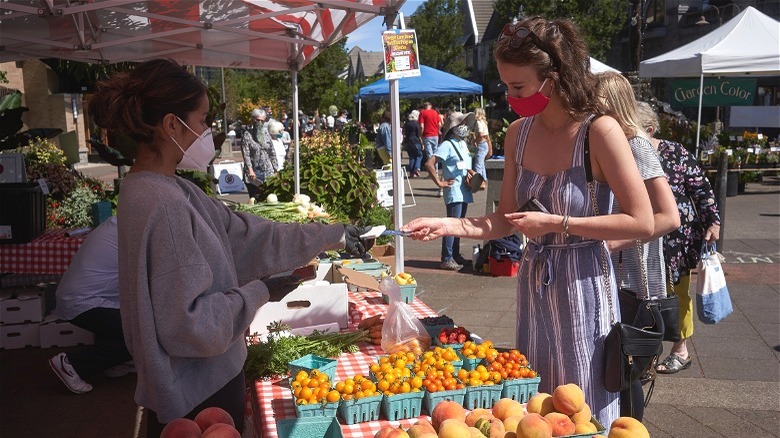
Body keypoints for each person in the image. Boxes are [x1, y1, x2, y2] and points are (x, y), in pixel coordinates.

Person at [87, 59, 374, 437]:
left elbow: (246, 234)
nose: (208, 131)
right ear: (172, 124)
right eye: (202, 120)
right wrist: (261, 291)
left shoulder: (161, 188)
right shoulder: (165, 204)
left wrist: (331, 234)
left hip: (196, 380)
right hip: (200, 389)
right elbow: (190, 327)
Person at [401, 17, 655, 428]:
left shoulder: (600, 132)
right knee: (536, 404)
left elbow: (642, 221)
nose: (509, 95)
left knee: (581, 401)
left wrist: (558, 221)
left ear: (552, 80)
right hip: (535, 282)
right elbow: (504, 221)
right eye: (505, 85)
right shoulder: (517, 134)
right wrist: (447, 226)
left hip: (585, 282)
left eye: (518, 87)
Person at [594, 71, 680, 421]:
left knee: (626, 366)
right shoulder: (612, 143)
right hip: (618, 269)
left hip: (634, 275)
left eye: (595, 107)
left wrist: (614, 241)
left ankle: (630, 427)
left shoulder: (635, 144)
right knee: (617, 364)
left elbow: (669, 217)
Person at [636, 102, 721, 375]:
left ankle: (680, 349)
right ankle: (646, 351)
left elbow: (701, 189)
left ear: (649, 129)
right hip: (641, 237)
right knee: (642, 294)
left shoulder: (676, 153)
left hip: (678, 239)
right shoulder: (626, 155)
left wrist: (713, 221)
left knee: (677, 294)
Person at [49, 216, 134, 395]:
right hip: (83, 302)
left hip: (83, 298)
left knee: (125, 323)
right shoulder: (133, 230)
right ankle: (72, 364)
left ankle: (116, 363)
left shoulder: (120, 222)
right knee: (139, 334)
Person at [425, 112, 476, 270]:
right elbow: (429, 163)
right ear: (454, 127)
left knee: (459, 224)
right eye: (462, 123)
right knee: (451, 224)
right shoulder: (447, 145)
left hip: (464, 189)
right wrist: (440, 182)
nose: (465, 127)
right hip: (454, 190)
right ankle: (447, 257)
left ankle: (455, 254)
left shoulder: (462, 143)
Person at [241, 108, 276, 183]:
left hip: (267, 171)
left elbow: (272, 152)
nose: (259, 123)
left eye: (262, 121)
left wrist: (275, 169)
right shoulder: (247, 135)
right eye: (257, 120)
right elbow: (246, 154)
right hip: (254, 172)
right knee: (255, 194)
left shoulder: (266, 133)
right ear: (253, 120)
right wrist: (250, 170)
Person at [419, 102, 442, 173]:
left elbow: (421, 126)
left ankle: (432, 172)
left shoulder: (422, 113)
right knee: (435, 153)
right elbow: (440, 124)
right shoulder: (435, 112)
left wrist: (420, 135)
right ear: (431, 106)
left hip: (427, 135)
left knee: (429, 154)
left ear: (424, 107)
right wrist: (438, 130)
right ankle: (436, 170)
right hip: (435, 135)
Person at [473, 107, 493, 181]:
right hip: (485, 143)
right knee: (482, 164)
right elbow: (486, 135)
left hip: (481, 143)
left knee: (478, 164)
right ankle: (484, 179)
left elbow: (480, 134)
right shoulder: (484, 122)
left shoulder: (478, 122)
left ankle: (479, 181)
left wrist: (475, 140)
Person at [403, 109, 423, 177]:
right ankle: (417, 168)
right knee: (419, 155)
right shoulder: (416, 124)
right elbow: (419, 135)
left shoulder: (406, 123)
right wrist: (422, 143)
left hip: (407, 141)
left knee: (411, 157)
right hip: (415, 140)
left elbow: (403, 132)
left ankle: (412, 173)